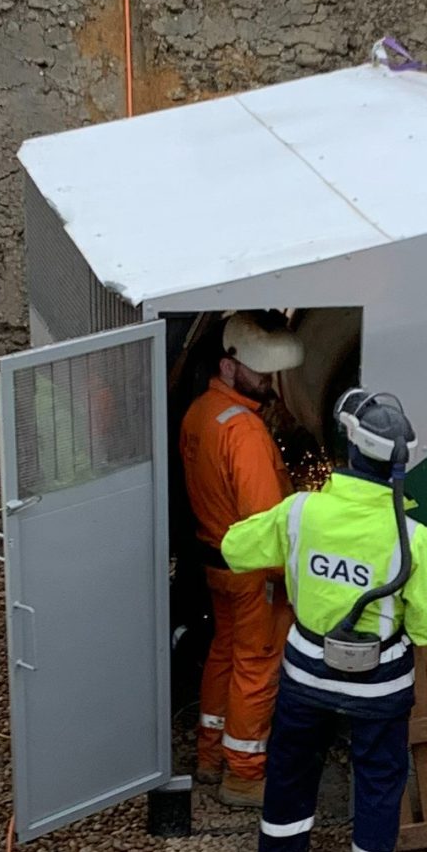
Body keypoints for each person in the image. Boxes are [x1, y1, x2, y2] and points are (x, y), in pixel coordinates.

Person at [222, 388, 427, 852]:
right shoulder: (411, 538)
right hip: (379, 687)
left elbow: (235, 548)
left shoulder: (302, 511)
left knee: (291, 767)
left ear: (349, 447)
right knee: (378, 786)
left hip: (306, 674)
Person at [180, 313, 303, 809]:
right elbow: (265, 523)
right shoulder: (246, 433)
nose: (269, 379)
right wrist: (288, 577)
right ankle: (246, 775)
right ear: (228, 366)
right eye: (259, 370)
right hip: (253, 574)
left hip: (216, 561)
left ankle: (210, 756)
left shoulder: (200, 413)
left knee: (225, 654)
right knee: (256, 667)